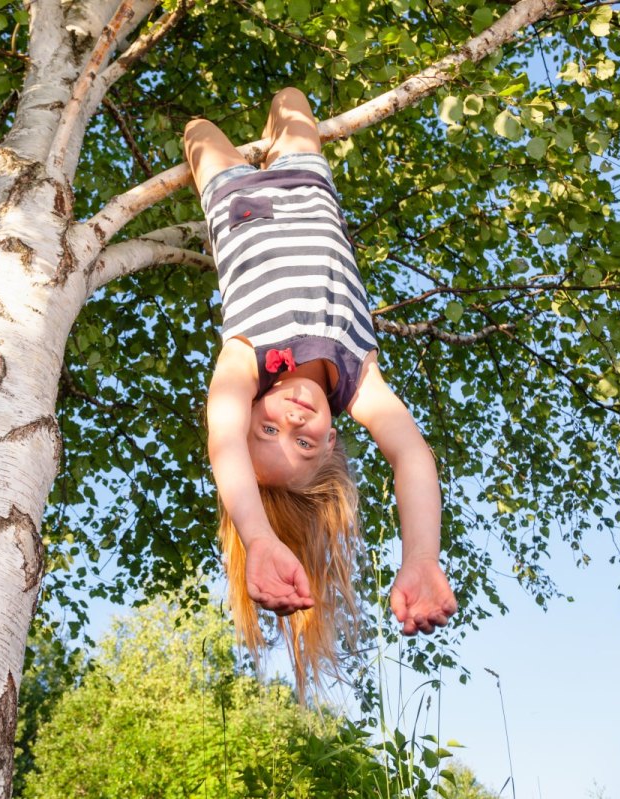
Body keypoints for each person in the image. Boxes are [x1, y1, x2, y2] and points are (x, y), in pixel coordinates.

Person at [185, 88, 458, 694]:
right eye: (305, 446)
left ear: (252, 408)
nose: (294, 423)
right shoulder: (361, 382)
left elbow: (221, 441)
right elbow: (412, 456)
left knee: (200, 130)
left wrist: (258, 537)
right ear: (332, 440)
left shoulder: (244, 359)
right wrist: (420, 557)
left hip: (235, 206)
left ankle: (212, 132)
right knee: (291, 102)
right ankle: (281, 122)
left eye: (268, 429)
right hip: (309, 191)